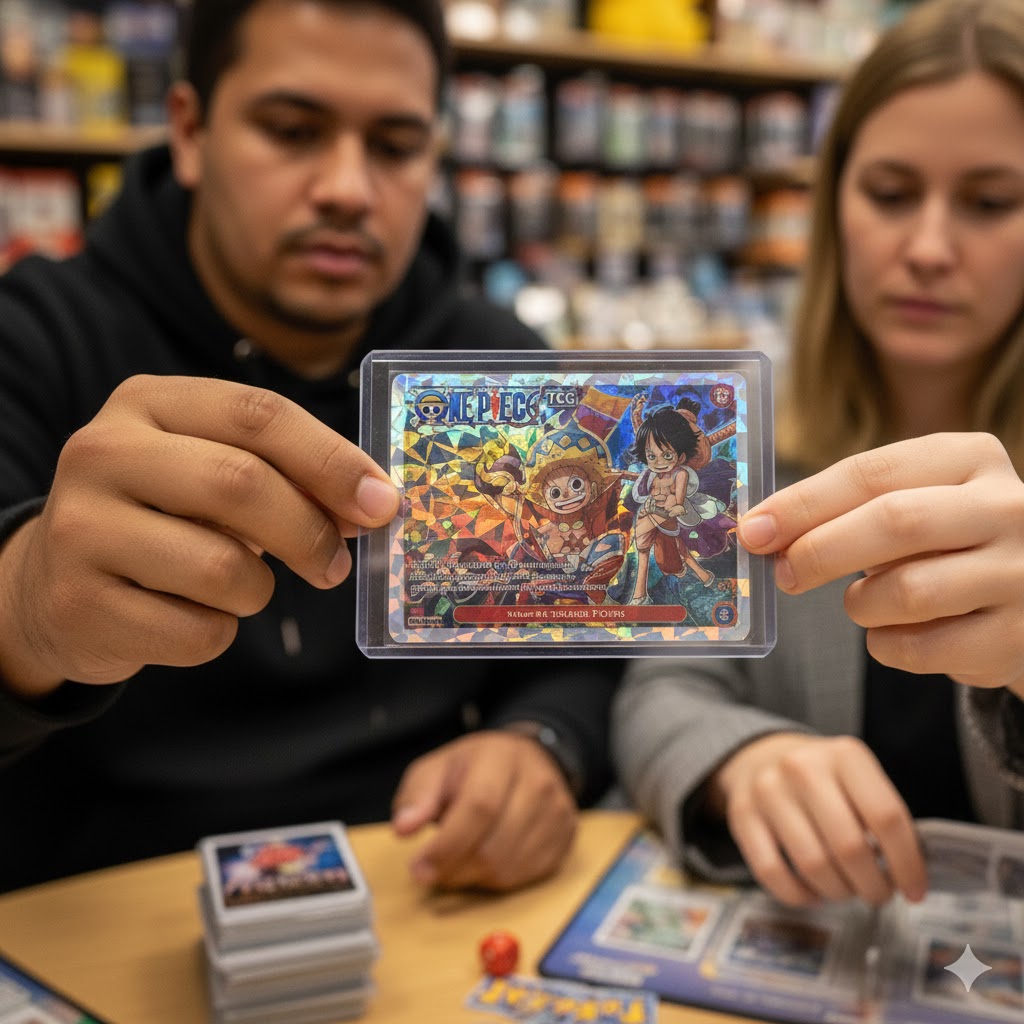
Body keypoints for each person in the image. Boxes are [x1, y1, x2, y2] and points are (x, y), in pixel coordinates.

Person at [0, 0, 620, 894]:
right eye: (292, 131)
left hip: (421, 882)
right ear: (190, 131)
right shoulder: (31, 338)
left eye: (396, 146)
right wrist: (25, 610)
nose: (348, 189)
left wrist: (542, 742)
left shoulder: (501, 362)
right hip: (99, 905)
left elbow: (580, 652)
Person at [613, 0, 1024, 909]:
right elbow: (663, 686)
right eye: (890, 193)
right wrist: (742, 760)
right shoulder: (730, 442)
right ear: (833, 203)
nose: (928, 248)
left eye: (991, 202)